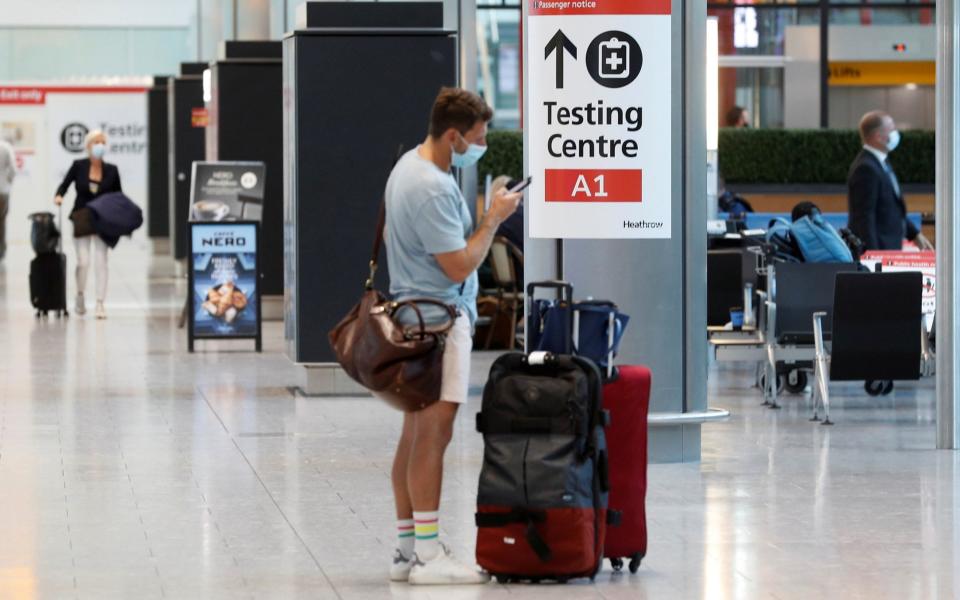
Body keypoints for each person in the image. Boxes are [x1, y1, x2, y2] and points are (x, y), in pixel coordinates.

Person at [383, 87, 521, 585]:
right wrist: (493, 218)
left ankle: (405, 549)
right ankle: (427, 555)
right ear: (453, 135)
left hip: (416, 317)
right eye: (477, 138)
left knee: (414, 435)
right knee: (433, 436)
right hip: (438, 321)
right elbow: (459, 263)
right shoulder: (431, 187)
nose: (480, 145)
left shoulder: (410, 167)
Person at [54, 130, 123, 319]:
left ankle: (100, 302)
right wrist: (59, 195)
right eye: (96, 142)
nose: (100, 145)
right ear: (88, 145)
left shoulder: (112, 170)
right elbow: (65, 184)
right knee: (83, 261)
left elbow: (118, 196)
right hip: (82, 217)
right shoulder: (79, 166)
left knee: (101, 261)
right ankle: (80, 294)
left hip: (103, 219)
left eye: (102, 142)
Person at [847, 111, 933, 251]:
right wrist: (873, 257)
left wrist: (914, 234)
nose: (895, 133)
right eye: (892, 129)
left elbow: (892, 208)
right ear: (878, 137)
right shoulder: (865, 168)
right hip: (879, 252)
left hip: (888, 249)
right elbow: (864, 218)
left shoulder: (881, 162)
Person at [0, 138, 16, 261]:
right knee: (1, 221)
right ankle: (1, 251)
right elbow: (13, 169)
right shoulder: (5, 147)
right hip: (2, 190)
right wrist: (7, 182)